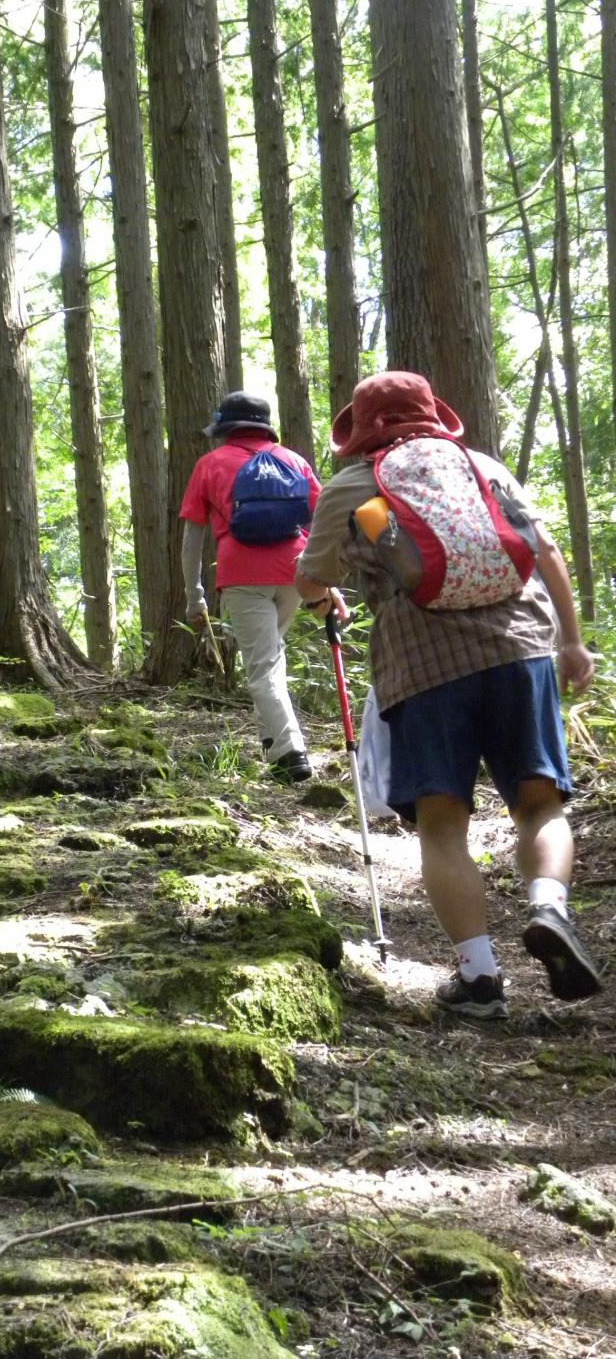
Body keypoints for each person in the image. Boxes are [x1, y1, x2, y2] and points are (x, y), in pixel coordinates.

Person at [296, 370, 602, 1018]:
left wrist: (328, 596)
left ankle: (481, 978)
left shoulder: (353, 485)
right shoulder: (480, 465)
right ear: (433, 415)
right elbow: (544, 550)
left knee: (442, 825)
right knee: (539, 804)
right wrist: (572, 641)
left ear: (362, 429)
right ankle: (548, 904)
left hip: (423, 661)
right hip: (520, 646)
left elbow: (311, 575)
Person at [180, 391, 332, 782]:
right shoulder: (293, 460)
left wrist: (194, 595)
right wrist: (322, 577)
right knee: (271, 657)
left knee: (263, 666)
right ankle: (273, 745)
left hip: (243, 575)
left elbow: (192, 537)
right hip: (296, 573)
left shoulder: (210, 464)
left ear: (226, 428)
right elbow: (321, 520)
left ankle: (290, 751)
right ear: (264, 426)